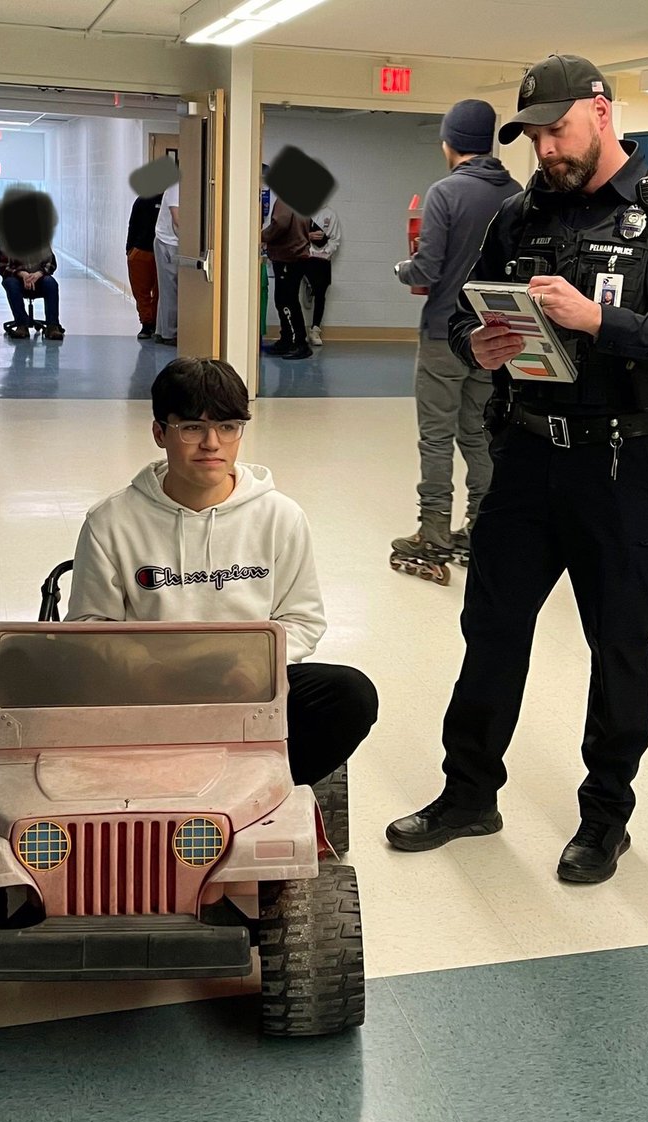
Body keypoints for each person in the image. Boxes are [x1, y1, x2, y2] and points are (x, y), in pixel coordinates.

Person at [386, 55, 648, 883]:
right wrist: (484, 343)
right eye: (534, 135)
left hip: (627, 463)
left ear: (602, 113)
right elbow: (475, 311)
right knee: (491, 627)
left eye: (558, 129)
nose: (546, 148)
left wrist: (598, 320)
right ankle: (469, 791)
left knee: (617, 645)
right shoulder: (518, 215)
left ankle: (605, 817)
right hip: (530, 452)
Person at [67, 356, 378, 788]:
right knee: (28, 689)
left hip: (245, 683)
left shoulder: (280, 516)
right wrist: (150, 670)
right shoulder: (110, 521)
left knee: (349, 695)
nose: (212, 443)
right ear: (160, 433)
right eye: (192, 427)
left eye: (228, 427)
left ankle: (252, 793)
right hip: (149, 688)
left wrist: (258, 667)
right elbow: (89, 626)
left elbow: (303, 619)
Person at [391, 99, 522, 577]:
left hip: (445, 331)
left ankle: (434, 530)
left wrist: (404, 269)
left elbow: (426, 268)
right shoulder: (516, 193)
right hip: (496, 337)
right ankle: (481, 525)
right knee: (479, 434)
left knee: (436, 436)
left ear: (449, 142)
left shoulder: (445, 192)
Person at [261, 197, 313, 360]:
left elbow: (281, 223)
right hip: (296, 255)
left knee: (286, 301)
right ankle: (287, 340)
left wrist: (262, 235)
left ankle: (298, 343)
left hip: (288, 256)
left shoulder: (286, 200)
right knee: (287, 300)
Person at [0, 245, 64, 340]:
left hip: (39, 278)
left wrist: (38, 274)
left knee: (51, 283)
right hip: (17, 279)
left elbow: (51, 263)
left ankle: (52, 326)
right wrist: (22, 274)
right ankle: (21, 325)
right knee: (10, 283)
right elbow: (3, 267)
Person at [303, 205, 341, 346]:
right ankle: (299, 331)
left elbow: (335, 239)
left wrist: (325, 252)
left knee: (321, 294)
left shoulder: (330, 214)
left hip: (323, 260)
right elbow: (294, 235)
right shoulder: (301, 212)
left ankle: (315, 329)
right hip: (304, 256)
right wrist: (308, 239)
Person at [126, 192, 162, 339]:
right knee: (142, 292)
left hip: (162, 251)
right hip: (141, 251)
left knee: (160, 291)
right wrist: (129, 249)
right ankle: (147, 324)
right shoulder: (142, 200)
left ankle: (155, 322)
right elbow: (132, 225)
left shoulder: (171, 200)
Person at [153, 180, 180, 346]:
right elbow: (177, 219)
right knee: (170, 289)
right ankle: (169, 334)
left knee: (169, 289)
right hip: (168, 242)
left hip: (177, 241)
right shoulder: (176, 186)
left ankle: (161, 330)